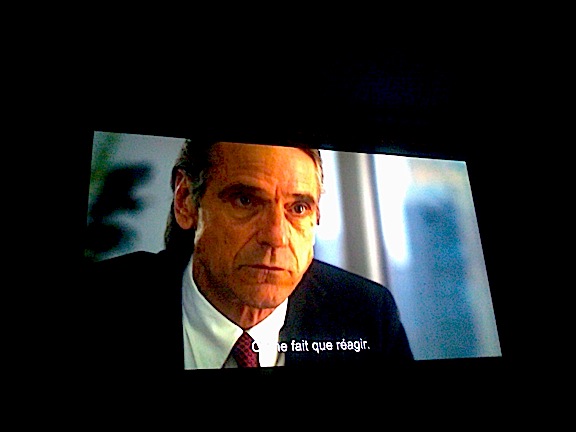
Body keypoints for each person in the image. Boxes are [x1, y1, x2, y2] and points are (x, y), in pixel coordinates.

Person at [85, 137, 414, 373]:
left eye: (298, 208)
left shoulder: (366, 313)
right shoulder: (102, 303)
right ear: (186, 201)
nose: (276, 237)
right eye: (245, 201)